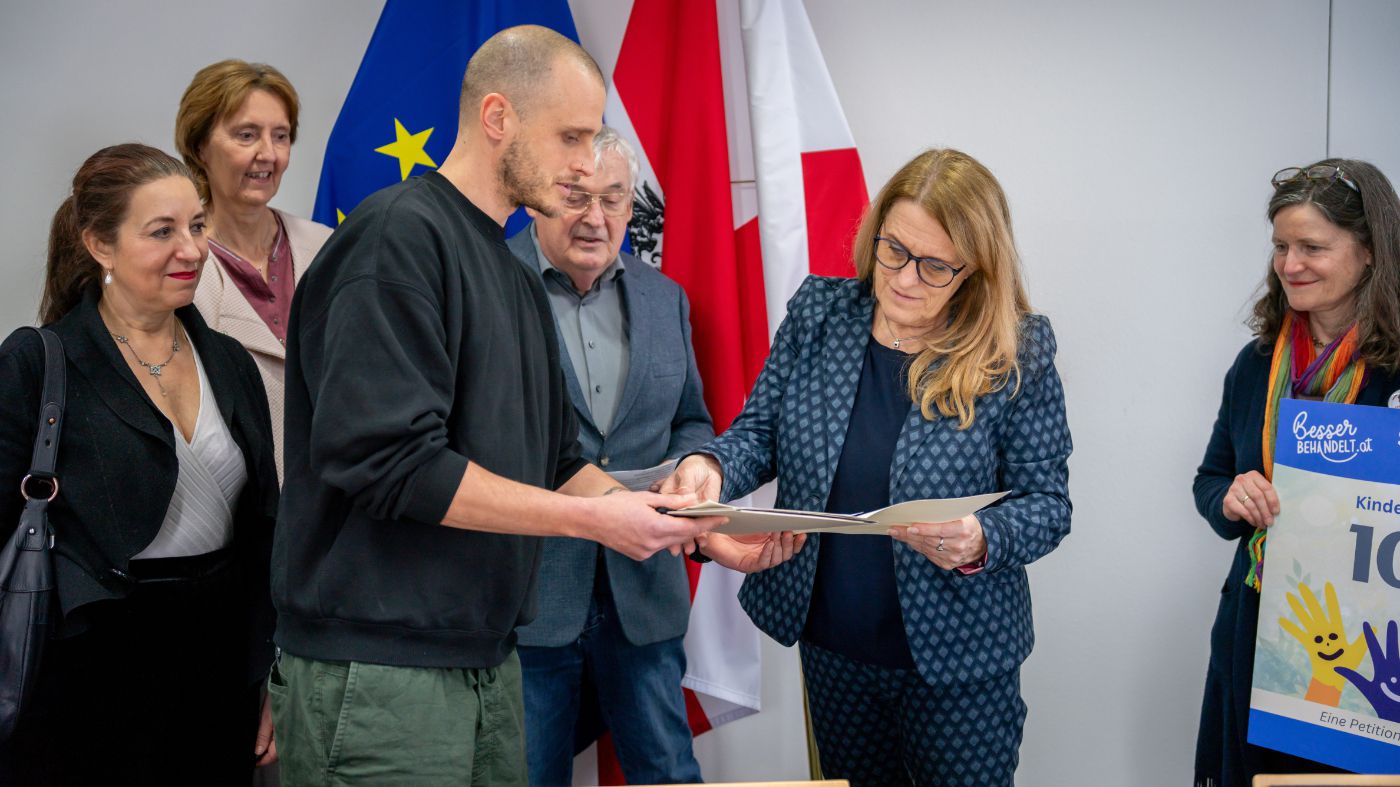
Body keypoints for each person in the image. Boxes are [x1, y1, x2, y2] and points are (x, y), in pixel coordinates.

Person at [268, 26, 786, 786]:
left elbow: (557, 461)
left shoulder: (508, 274)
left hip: (485, 659)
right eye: (570, 136)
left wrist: (697, 528)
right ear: (498, 117)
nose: (585, 163)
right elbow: (392, 464)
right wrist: (590, 521)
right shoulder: (396, 238)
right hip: (381, 673)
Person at [664, 148, 1073, 787]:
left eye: (934, 266)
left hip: (959, 664)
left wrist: (981, 537)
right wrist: (709, 465)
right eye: (894, 250)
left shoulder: (1015, 349)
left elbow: (1047, 504)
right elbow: (760, 432)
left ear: (975, 269)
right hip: (834, 649)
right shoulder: (821, 314)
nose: (905, 278)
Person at [0, 143, 280, 784]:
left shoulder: (230, 361)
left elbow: (266, 528)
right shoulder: (38, 363)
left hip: (218, 672)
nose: (193, 250)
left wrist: (268, 669)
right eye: (162, 231)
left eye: (197, 226)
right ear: (100, 244)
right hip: (80, 682)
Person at [506, 127, 711, 786]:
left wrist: (691, 469)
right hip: (529, 602)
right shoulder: (489, 283)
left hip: (643, 595)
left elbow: (692, 421)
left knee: (668, 773)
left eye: (613, 198)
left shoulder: (665, 297)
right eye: (576, 197)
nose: (596, 218)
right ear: (536, 198)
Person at [1193, 158, 1400, 787]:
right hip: (1260, 633)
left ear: (1370, 251)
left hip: (1369, 651)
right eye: (1282, 247)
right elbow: (1209, 479)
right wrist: (1230, 498)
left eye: (1313, 247)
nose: (1291, 264)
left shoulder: (1395, 372)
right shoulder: (1255, 363)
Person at [176, 59, 332, 481]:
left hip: (340, 497)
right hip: (238, 504)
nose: (268, 154)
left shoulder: (328, 246)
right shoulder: (178, 265)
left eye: (280, 136)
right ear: (199, 146)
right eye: (246, 135)